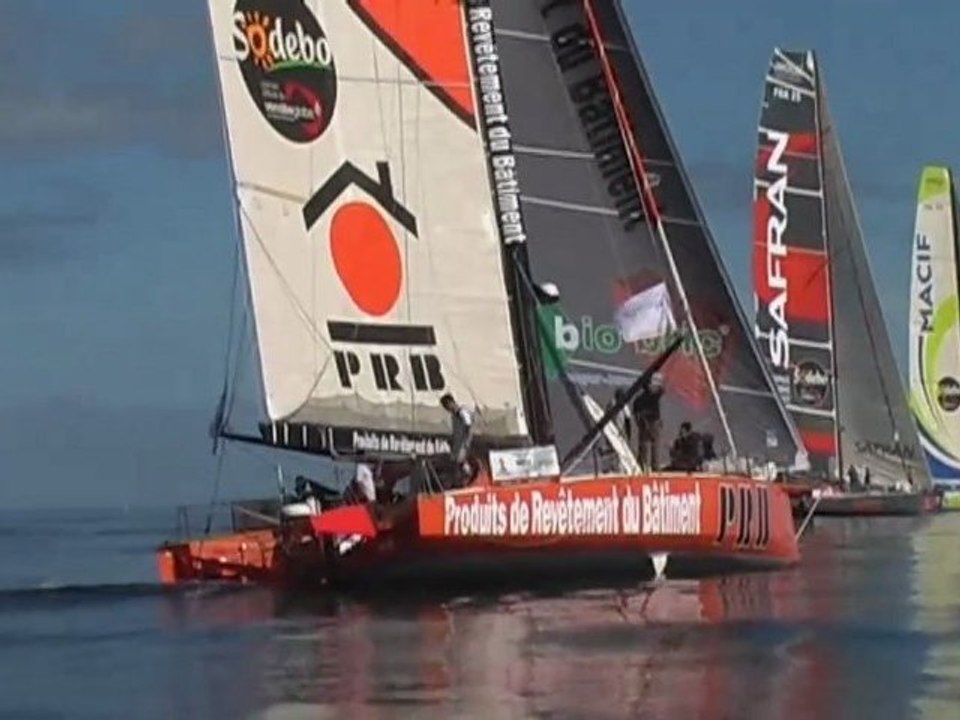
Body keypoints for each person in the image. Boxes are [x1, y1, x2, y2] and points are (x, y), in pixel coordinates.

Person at [632, 372, 664, 471]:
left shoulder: (639, 399)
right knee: (651, 447)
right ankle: (652, 467)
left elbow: (635, 414)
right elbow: (662, 390)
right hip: (650, 423)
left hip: (649, 423)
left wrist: (640, 424)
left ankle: (645, 467)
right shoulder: (652, 396)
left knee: (648, 447)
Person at [441, 392, 474, 482]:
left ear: (451, 402)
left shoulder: (462, 412)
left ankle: (468, 476)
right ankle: (459, 478)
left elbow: (468, 426)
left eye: (447, 405)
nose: (447, 408)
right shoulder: (454, 415)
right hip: (457, 442)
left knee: (461, 461)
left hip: (463, 443)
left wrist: (466, 442)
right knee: (455, 461)